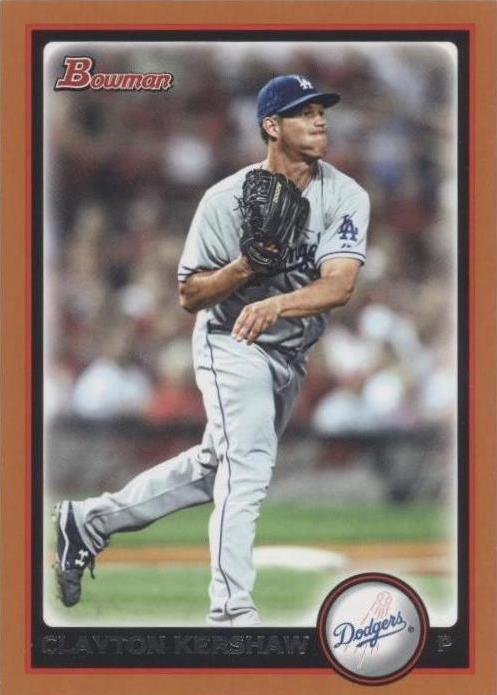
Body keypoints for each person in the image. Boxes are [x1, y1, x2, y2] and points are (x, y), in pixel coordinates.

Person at [54, 74, 370, 627]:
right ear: (271, 126)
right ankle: (230, 613)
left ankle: (88, 521)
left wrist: (277, 302)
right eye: (304, 112)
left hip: (289, 351)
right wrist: (245, 267)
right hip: (231, 340)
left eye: (321, 110)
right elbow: (190, 294)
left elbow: (340, 285)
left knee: (213, 469)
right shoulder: (225, 200)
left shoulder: (345, 195)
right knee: (247, 468)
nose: (320, 119)